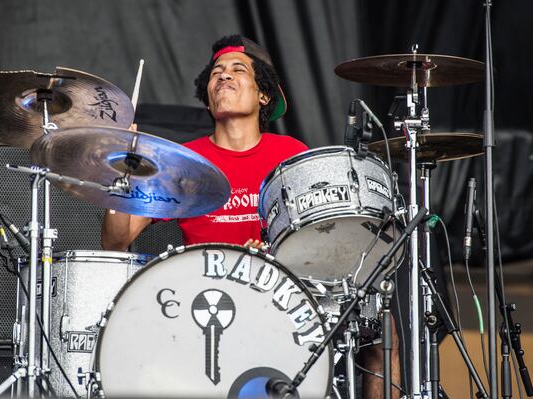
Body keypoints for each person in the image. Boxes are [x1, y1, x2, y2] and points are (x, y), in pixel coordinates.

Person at [102, 34, 400, 399]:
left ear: (264, 95)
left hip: (282, 302)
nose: (223, 76)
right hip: (205, 304)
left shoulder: (292, 155)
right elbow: (116, 241)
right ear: (208, 98)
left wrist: (272, 261)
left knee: (380, 323)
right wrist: (120, 169)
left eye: (237, 70)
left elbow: (320, 239)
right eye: (216, 73)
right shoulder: (182, 161)